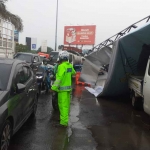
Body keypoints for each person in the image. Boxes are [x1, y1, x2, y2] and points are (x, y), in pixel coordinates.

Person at [51, 51, 76, 128]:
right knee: (66, 106)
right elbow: (73, 73)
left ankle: (63, 123)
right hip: (68, 89)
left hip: (62, 90)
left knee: (62, 106)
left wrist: (53, 88)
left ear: (61, 57)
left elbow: (59, 78)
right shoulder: (69, 66)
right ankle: (63, 119)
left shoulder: (61, 66)